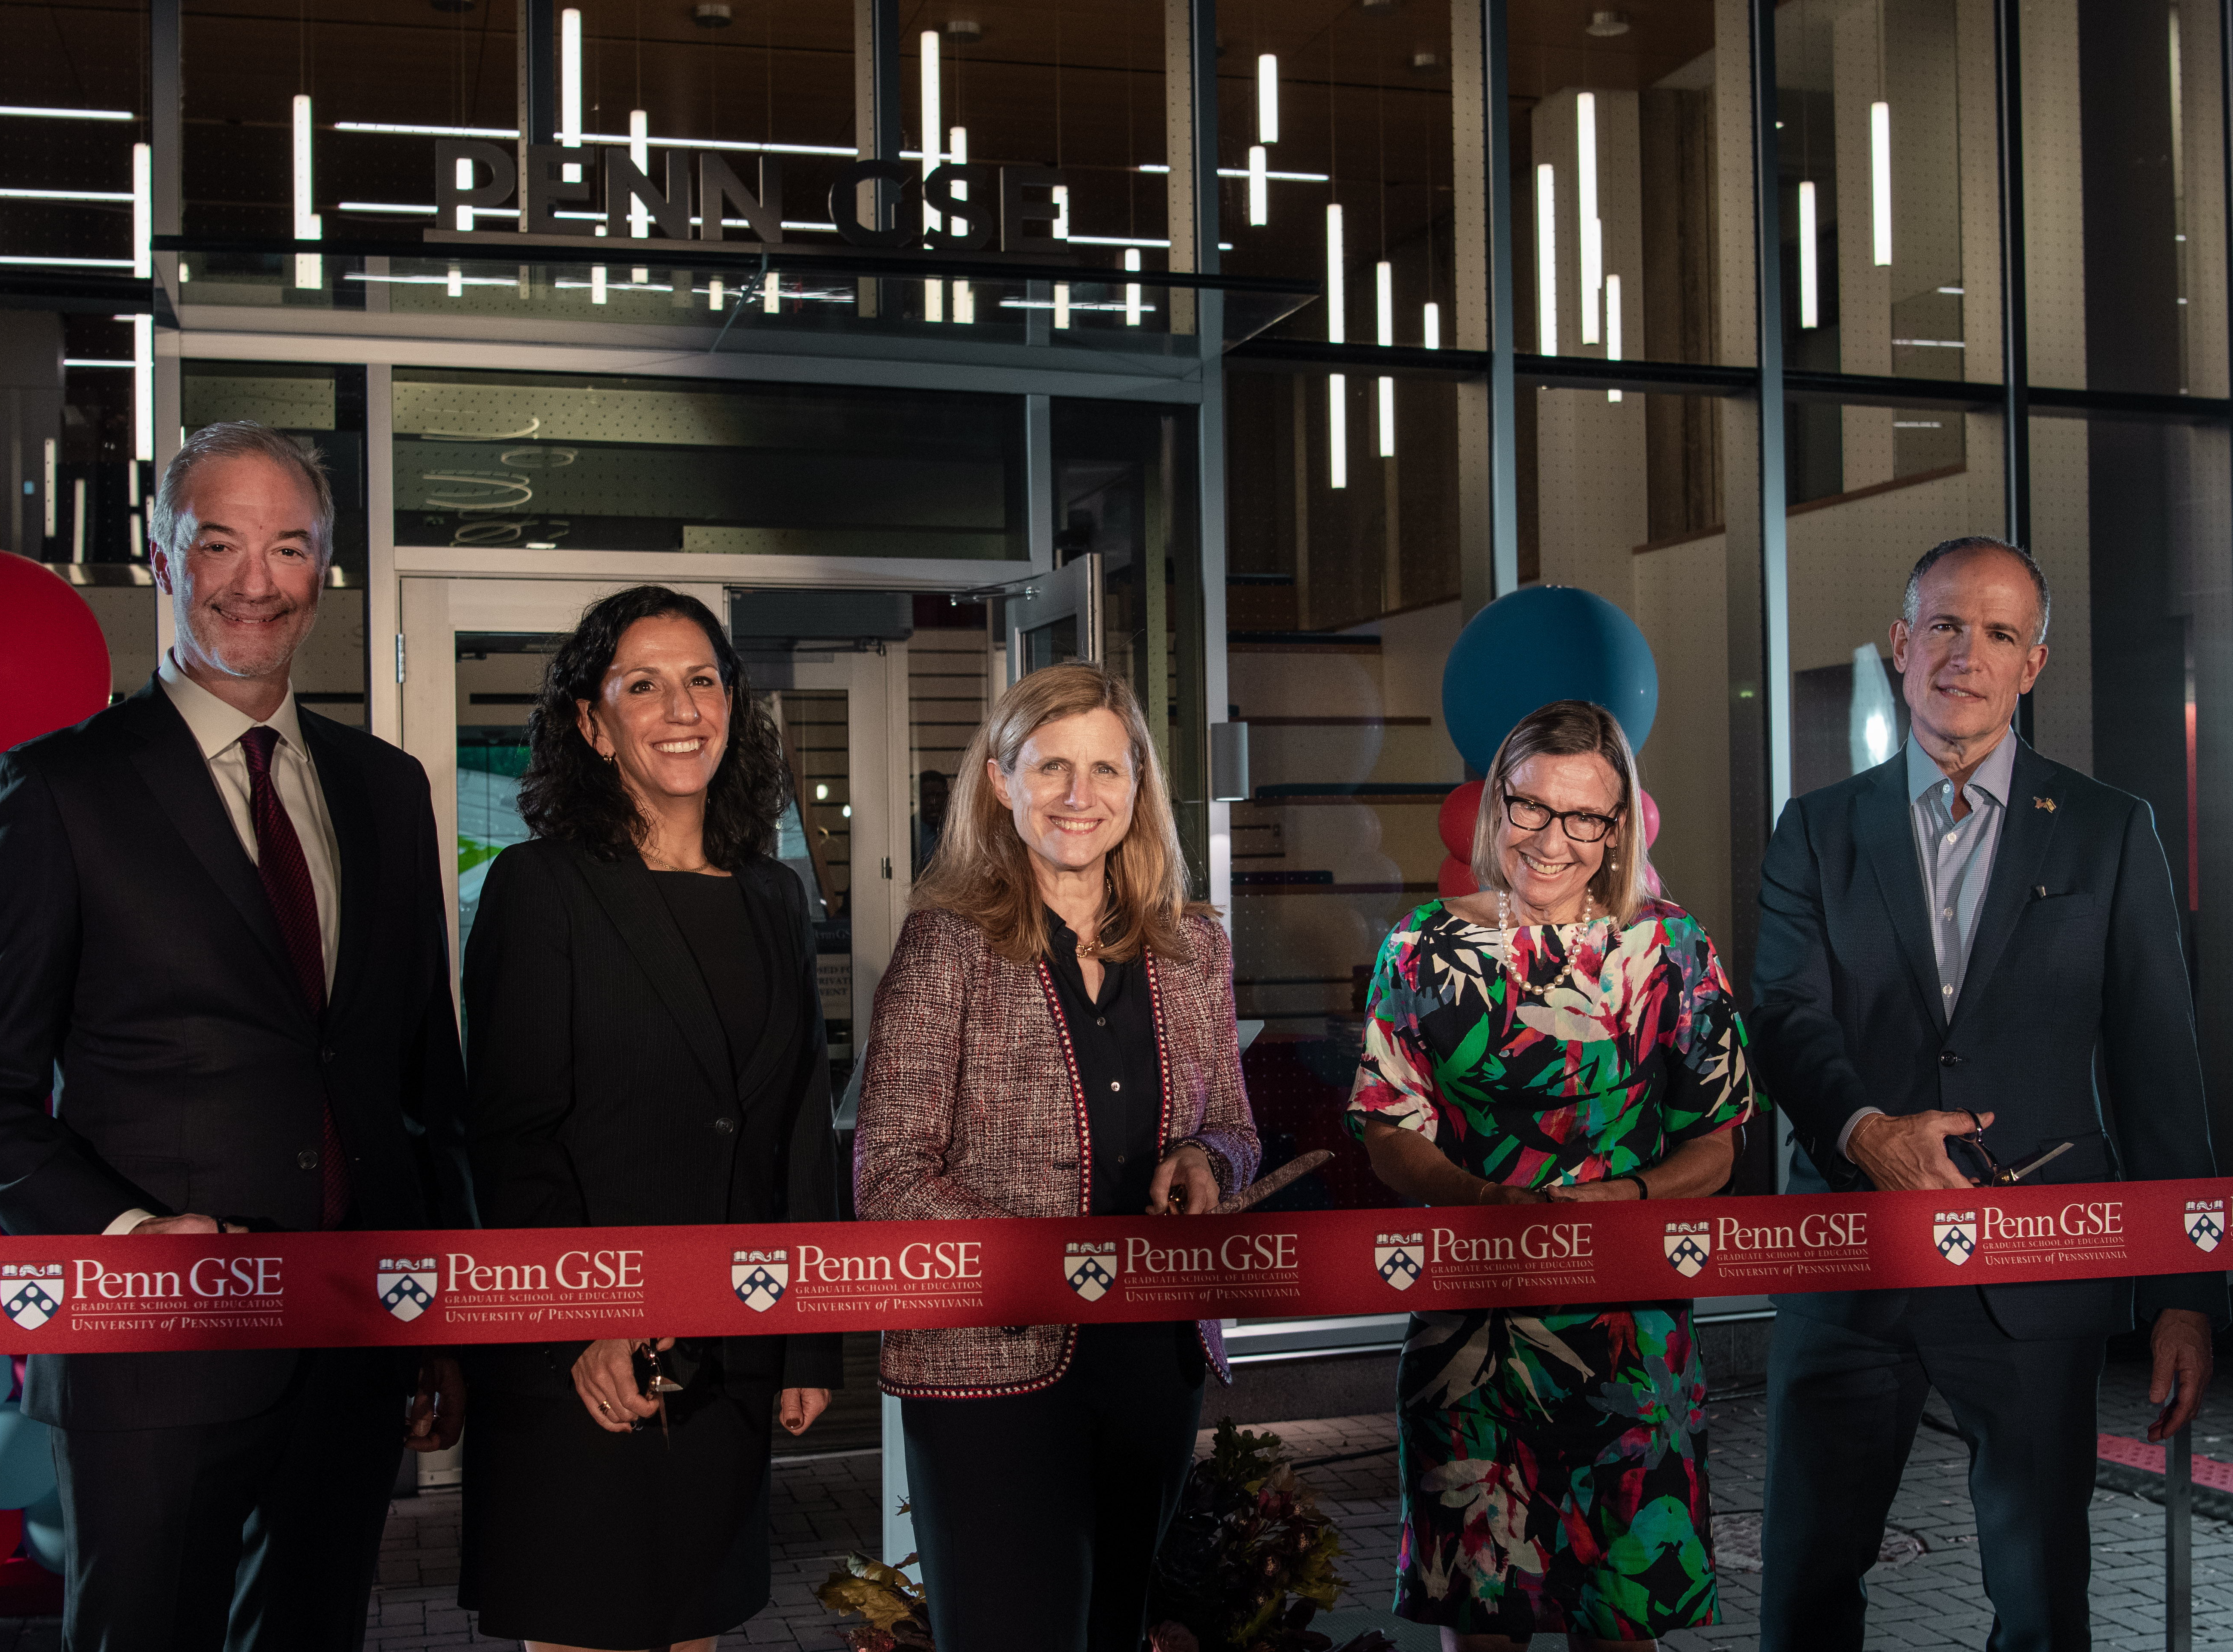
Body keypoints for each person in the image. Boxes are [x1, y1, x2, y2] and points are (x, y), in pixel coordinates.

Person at [0, 422, 473, 1651]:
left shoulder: (386, 791)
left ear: (324, 574)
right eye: (220, 541)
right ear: (164, 558)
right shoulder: (61, 787)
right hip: (153, 1353)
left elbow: (420, 1084)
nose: (256, 578)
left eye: (290, 547)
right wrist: (126, 1238)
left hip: (348, 1340)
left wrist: (434, 1319)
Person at [1750, 535, 2224, 1652]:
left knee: (2042, 1598)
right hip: (1845, 1257)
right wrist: (1867, 1133)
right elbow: (1783, 1018)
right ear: (1898, 644)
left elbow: (2160, 1065)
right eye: (1945, 627)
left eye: (1998, 633)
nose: (1967, 654)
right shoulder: (1812, 833)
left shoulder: (2111, 832)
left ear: (2033, 664)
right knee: (1806, 1591)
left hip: (2036, 1268)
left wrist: (2184, 1292)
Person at [455, 585, 840, 1652]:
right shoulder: (539, 889)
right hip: (588, 1360)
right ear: (591, 722)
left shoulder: (772, 894)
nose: (681, 707)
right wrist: (580, 1318)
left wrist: (806, 1338)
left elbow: (799, 1123)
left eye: (701, 679)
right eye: (643, 684)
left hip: (729, 1351)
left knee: (692, 1633)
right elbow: (508, 1132)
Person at [856, 661, 1260, 1652]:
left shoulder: (1192, 946)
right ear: (1000, 781)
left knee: (1112, 1631)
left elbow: (1239, 1130)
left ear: (1138, 787)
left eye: (1106, 770)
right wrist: (1045, 1261)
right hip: (992, 1365)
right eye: (1051, 768)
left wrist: (1207, 1160)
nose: (1080, 797)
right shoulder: (945, 944)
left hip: (1150, 1362)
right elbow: (890, 1175)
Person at [1346, 699, 1760, 1652]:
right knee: (1482, 1627)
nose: (1552, 839)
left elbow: (1717, 1142)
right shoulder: (1418, 949)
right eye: (1530, 807)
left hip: (1629, 1338)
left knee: (1621, 1628)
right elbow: (1386, 1130)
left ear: (1617, 830)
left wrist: (1629, 1196)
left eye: (1584, 818)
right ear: (1495, 802)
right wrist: (1485, 1201)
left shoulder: (1673, 950)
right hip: (1470, 1334)